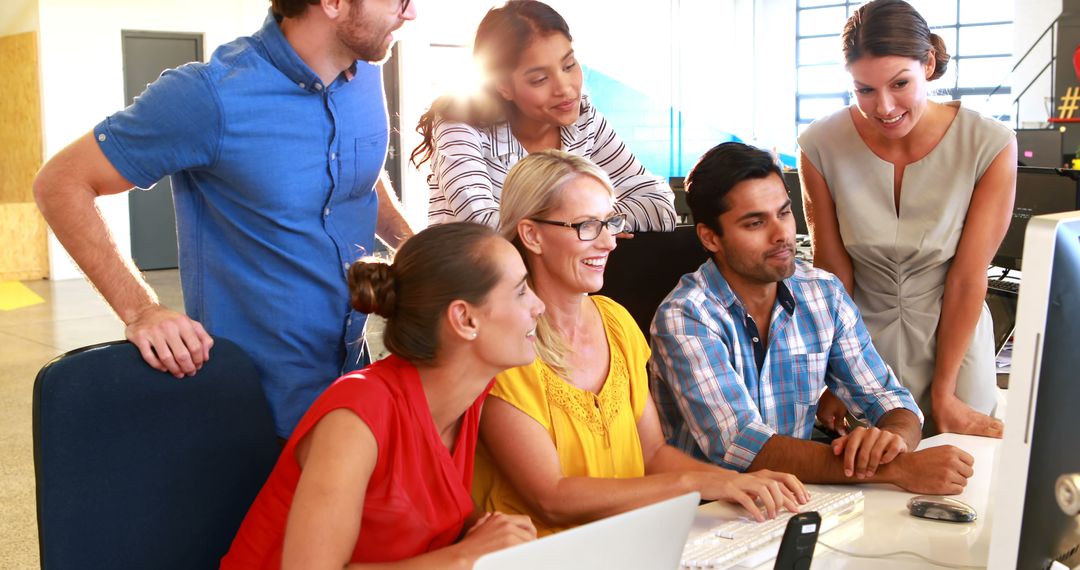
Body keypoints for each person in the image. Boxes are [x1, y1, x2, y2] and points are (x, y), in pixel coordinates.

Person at [32, 0, 418, 438]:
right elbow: (61, 183)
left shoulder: (365, 71)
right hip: (254, 413)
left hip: (353, 385)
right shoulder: (209, 95)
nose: (411, 13)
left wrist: (415, 248)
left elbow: (359, 176)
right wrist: (141, 310)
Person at [472, 149, 807, 537]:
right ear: (531, 234)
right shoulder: (502, 344)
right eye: (586, 226)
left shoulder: (614, 320)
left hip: (630, 546)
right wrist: (697, 485)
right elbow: (552, 496)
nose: (609, 243)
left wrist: (735, 482)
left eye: (609, 223)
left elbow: (653, 454)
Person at [650, 142, 976, 495]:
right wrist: (898, 469)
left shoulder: (822, 293)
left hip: (795, 498)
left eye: (784, 212)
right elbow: (741, 445)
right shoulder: (685, 316)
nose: (782, 235)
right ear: (711, 238)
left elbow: (889, 397)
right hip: (709, 511)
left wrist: (891, 442)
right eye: (756, 222)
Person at [222, 222, 543, 569]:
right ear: (464, 319)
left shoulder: (471, 396)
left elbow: (424, 512)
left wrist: (489, 533)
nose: (538, 305)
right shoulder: (356, 417)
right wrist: (467, 555)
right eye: (521, 291)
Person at [797, 0, 1016, 437]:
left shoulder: (988, 144)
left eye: (900, 83)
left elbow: (968, 277)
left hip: (955, 341)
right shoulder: (820, 144)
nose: (884, 107)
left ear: (928, 64)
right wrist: (839, 373)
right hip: (863, 351)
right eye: (864, 90)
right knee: (866, 490)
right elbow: (833, 273)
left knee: (961, 486)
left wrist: (946, 392)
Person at [411, 0, 676, 233]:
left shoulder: (584, 120)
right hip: (468, 285)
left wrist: (599, 223)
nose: (565, 88)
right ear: (503, 86)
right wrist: (584, 224)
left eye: (569, 65)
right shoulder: (461, 126)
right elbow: (484, 227)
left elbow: (660, 204)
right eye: (539, 79)